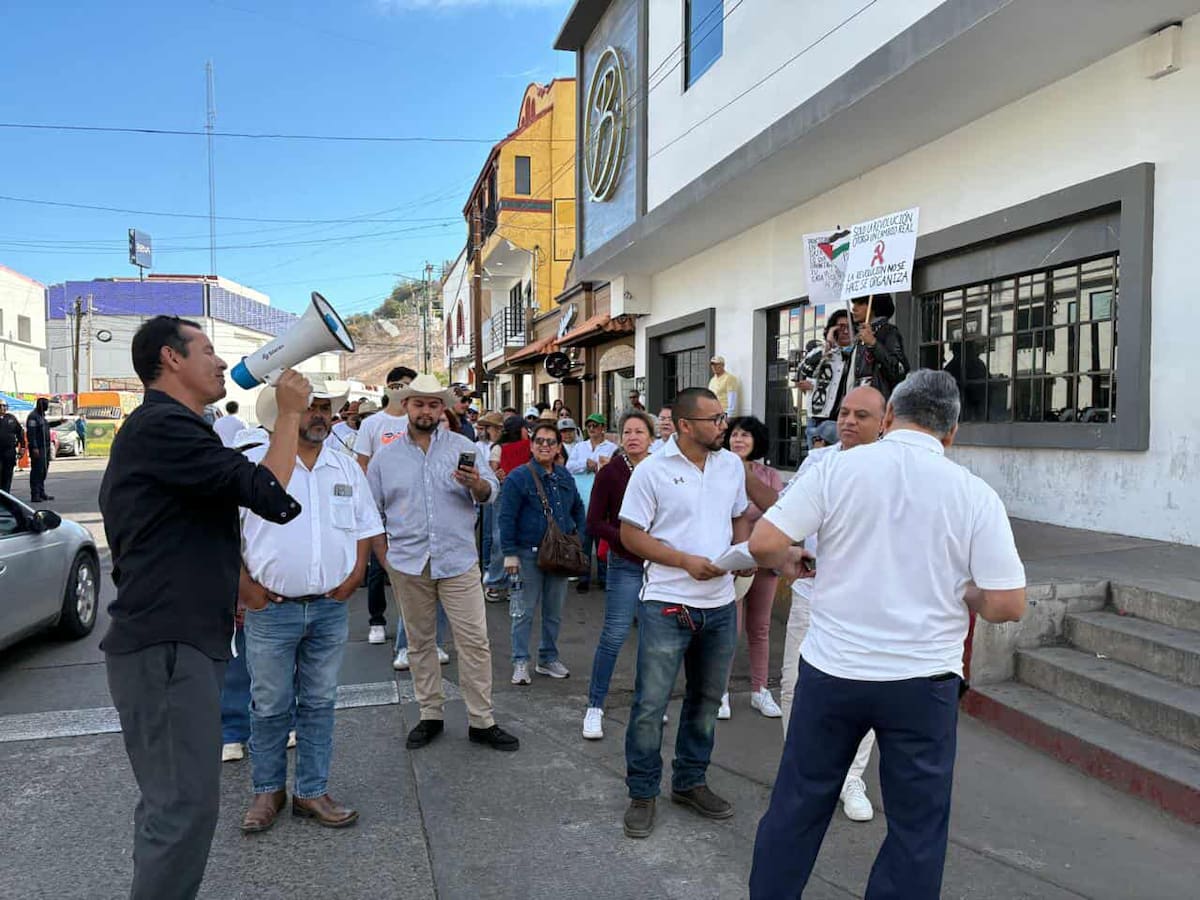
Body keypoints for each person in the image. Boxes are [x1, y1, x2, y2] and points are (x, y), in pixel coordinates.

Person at [747, 370, 1027, 898]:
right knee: (916, 829)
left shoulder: (838, 470)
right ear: (952, 432)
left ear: (891, 416)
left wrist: (788, 561)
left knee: (797, 806)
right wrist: (968, 594)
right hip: (922, 684)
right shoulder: (974, 495)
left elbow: (764, 541)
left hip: (832, 673)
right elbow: (1007, 605)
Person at [99, 315, 309, 900]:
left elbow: (190, 525)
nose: (221, 362)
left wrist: (239, 583)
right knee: (184, 808)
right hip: (167, 645)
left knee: (171, 806)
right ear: (170, 358)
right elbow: (267, 490)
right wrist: (288, 411)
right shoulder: (164, 426)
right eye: (208, 350)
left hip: (175, 642)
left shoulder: (170, 430)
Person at [238, 377, 382, 833]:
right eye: (309, 406)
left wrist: (357, 574)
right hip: (270, 609)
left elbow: (364, 526)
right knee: (270, 704)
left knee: (320, 702)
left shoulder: (345, 467)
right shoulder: (253, 465)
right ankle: (268, 790)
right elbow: (224, 534)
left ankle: (311, 791)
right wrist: (246, 588)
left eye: (325, 407)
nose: (319, 414)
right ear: (285, 412)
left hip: (328, 609)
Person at [617, 387, 751, 839]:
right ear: (687, 425)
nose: (724, 426)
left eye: (724, 417)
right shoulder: (651, 471)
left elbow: (737, 517)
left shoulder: (730, 465)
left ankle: (690, 782)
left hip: (719, 603)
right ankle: (642, 792)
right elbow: (631, 535)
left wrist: (740, 552)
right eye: (715, 419)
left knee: (707, 701)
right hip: (666, 603)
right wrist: (683, 561)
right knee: (651, 705)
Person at [368, 375, 518, 752]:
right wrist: (385, 559)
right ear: (406, 407)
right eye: (419, 403)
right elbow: (371, 512)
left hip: (458, 559)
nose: (426, 410)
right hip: (408, 563)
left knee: (474, 642)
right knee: (420, 643)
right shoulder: (386, 458)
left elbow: (490, 492)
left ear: (442, 409)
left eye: (434, 404)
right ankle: (430, 714)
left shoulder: (463, 446)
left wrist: (475, 485)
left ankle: (481, 721)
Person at [779, 385, 886, 824]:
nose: (847, 421)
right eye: (843, 412)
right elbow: (785, 517)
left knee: (864, 696)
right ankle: (799, 768)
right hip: (811, 594)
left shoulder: (891, 470)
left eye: (861, 415)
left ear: (885, 422)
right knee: (794, 686)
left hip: (867, 604)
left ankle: (850, 778)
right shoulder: (818, 462)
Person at [582, 410, 654, 740]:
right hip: (625, 563)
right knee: (614, 635)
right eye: (627, 431)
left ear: (652, 437)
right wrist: (625, 537)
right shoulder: (611, 473)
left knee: (656, 641)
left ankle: (649, 704)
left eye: (640, 431)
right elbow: (594, 522)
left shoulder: (662, 470)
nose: (633, 436)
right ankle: (595, 706)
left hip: (660, 566)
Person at [499, 421, 586, 686]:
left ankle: (548, 658)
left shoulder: (564, 476)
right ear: (532, 444)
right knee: (522, 612)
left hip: (559, 555)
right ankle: (520, 661)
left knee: (554, 612)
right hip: (527, 554)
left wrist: (577, 539)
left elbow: (578, 509)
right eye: (539, 441)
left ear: (559, 446)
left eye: (550, 441)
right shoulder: (518, 477)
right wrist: (509, 553)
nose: (545, 446)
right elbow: (506, 517)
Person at [718, 416, 784, 721]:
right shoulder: (718, 470)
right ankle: (721, 692)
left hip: (765, 561)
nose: (738, 440)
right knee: (731, 629)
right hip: (732, 562)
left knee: (760, 628)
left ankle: (760, 690)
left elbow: (777, 508)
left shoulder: (769, 475)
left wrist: (747, 477)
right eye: (734, 435)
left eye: (745, 435)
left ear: (756, 441)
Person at [355, 365, 416, 644]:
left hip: (413, 505)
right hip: (379, 506)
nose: (408, 390)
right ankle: (376, 619)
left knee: (415, 568)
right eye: (403, 385)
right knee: (379, 566)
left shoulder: (415, 421)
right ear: (390, 387)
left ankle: (414, 623)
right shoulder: (372, 424)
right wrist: (367, 505)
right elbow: (362, 465)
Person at [565, 412, 618, 592]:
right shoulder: (580, 447)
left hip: (603, 500)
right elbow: (569, 467)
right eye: (589, 426)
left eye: (596, 426)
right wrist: (584, 464)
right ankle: (583, 577)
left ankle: (604, 577)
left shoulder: (611, 447)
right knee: (584, 542)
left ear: (603, 428)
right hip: (583, 499)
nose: (592, 429)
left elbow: (616, 468)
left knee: (602, 540)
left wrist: (601, 465)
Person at [482, 415, 532, 602]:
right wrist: (496, 474)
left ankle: (513, 583)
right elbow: (491, 470)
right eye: (525, 428)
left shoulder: (528, 447)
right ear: (520, 430)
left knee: (516, 538)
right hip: (506, 494)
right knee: (501, 538)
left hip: (523, 494)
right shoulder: (499, 448)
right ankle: (495, 582)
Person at [794, 310, 853, 447]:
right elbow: (799, 374)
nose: (845, 331)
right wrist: (827, 345)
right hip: (819, 417)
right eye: (840, 327)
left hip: (844, 418)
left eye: (848, 327)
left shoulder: (858, 355)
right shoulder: (822, 351)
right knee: (817, 462)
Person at [849, 292, 910, 399]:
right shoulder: (859, 335)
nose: (854, 308)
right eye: (854, 303)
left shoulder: (888, 331)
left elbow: (899, 371)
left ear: (874, 305)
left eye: (861, 303)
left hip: (877, 403)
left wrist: (874, 344)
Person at [25, 397, 52, 502]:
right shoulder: (33, 417)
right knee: (37, 471)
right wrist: (35, 447)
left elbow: (47, 426)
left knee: (43, 470)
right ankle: (35, 494)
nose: (47, 407)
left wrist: (59, 422)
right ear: (41, 405)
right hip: (38, 448)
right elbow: (31, 434)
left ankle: (41, 492)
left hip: (46, 447)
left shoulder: (41, 416)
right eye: (46, 405)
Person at [0, 399, 25, 494]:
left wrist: (22, 447)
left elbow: (20, 433)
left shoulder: (11, 418)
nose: (2, 408)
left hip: (9, 452)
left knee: (8, 475)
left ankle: (6, 496)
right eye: (0, 406)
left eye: (4, 406)